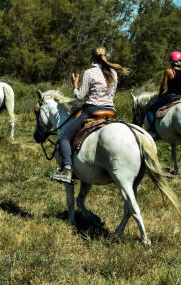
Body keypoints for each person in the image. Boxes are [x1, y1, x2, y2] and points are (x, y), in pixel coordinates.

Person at [51, 45, 129, 184]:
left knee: (64, 137)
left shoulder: (89, 72)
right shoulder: (113, 73)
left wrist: (75, 85)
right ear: (106, 56)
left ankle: (67, 169)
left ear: (93, 57)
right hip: (110, 111)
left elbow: (80, 97)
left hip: (92, 111)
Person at [145, 51, 181, 138]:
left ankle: (153, 130)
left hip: (170, 96)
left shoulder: (168, 71)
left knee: (150, 110)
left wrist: (160, 95)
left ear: (171, 61)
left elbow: (163, 87)